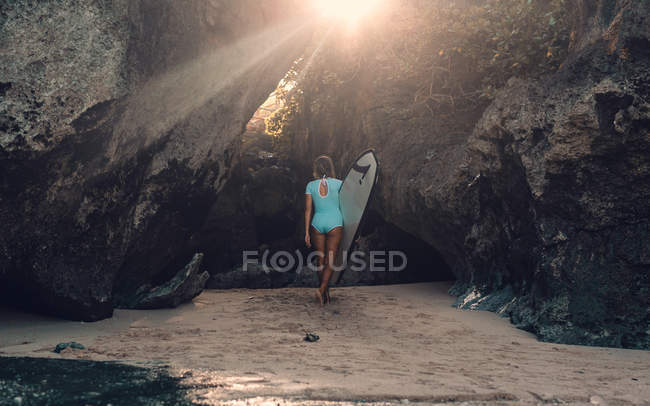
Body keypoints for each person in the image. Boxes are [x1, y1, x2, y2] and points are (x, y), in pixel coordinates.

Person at [304, 155, 343, 306]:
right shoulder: (340, 184)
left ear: (316, 169)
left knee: (320, 259)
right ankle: (321, 290)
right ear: (330, 167)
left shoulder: (310, 185)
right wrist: (357, 231)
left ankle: (325, 293)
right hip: (335, 222)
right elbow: (348, 208)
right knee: (331, 260)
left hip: (317, 223)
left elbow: (308, 210)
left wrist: (306, 232)